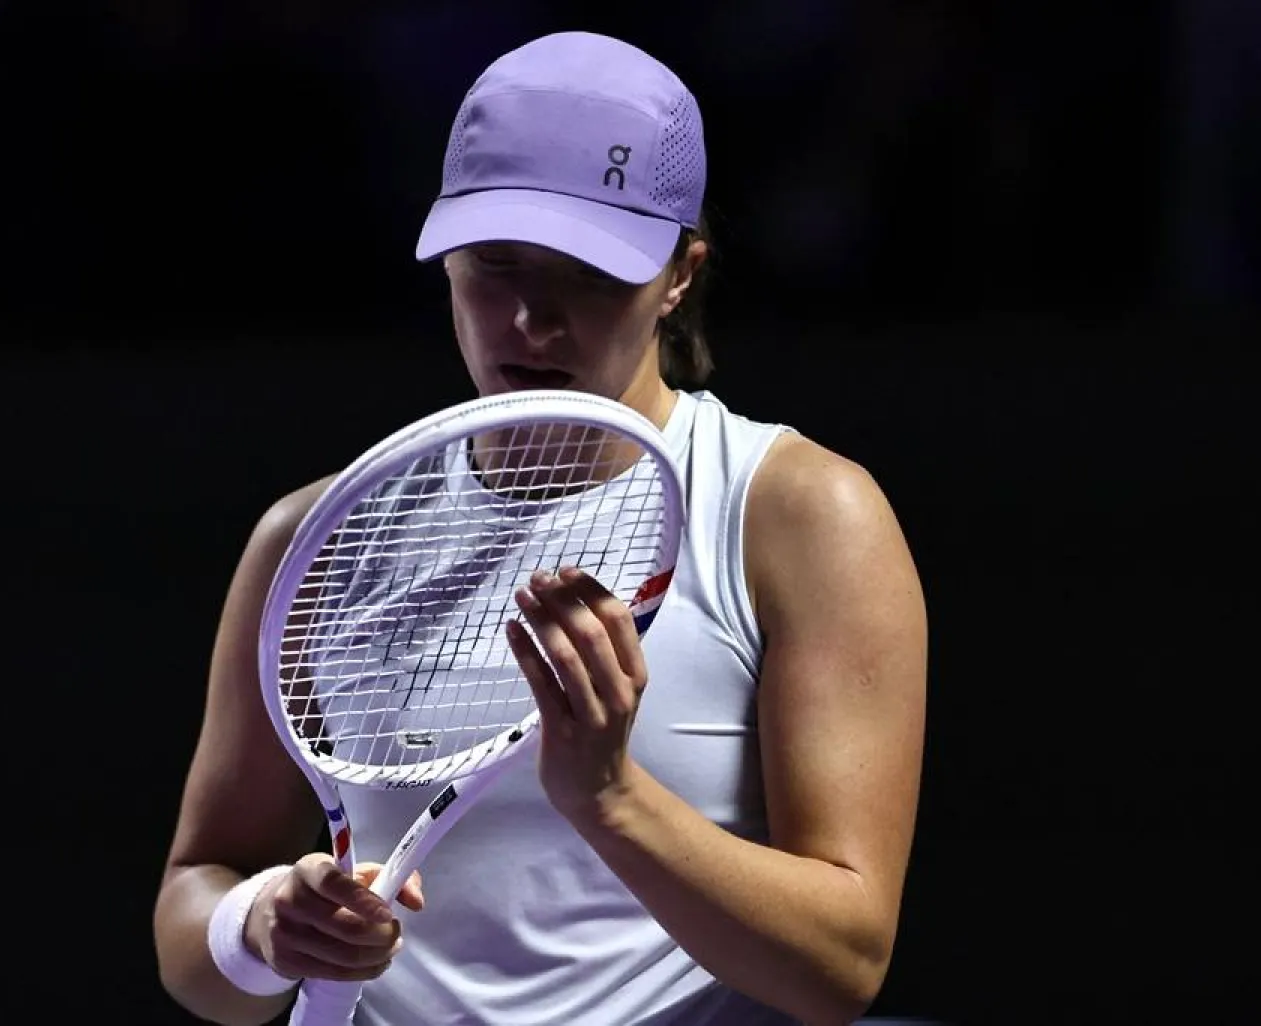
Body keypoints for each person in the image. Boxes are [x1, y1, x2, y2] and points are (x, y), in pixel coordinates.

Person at [153, 30, 926, 1026]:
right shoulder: (314, 536)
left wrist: (611, 797)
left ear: (682, 274)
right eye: (495, 265)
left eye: (590, 273)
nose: (530, 318)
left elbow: (842, 967)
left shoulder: (801, 516)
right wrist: (261, 926)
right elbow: (197, 898)